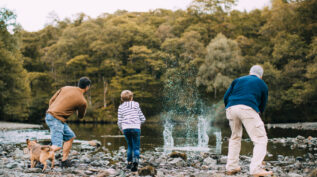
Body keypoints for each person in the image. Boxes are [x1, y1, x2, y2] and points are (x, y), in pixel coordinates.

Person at [223, 65, 273, 177]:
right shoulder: (262, 84)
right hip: (247, 108)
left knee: (235, 137)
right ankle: (256, 169)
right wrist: (257, 113)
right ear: (261, 75)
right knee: (260, 139)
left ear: (250, 72)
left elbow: (226, 96)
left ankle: (231, 167)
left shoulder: (238, 80)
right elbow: (262, 104)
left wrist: (230, 108)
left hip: (231, 108)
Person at [45, 77, 91, 168]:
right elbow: (80, 116)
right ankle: (40, 156)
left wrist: (52, 111)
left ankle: (64, 160)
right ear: (87, 87)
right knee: (57, 146)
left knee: (70, 137)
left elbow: (51, 100)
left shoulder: (65, 88)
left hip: (52, 116)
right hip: (56, 119)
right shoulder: (82, 101)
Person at [117, 90, 146, 172]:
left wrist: (121, 129)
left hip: (125, 128)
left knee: (130, 146)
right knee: (136, 147)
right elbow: (142, 118)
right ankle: (135, 163)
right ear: (132, 98)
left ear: (122, 99)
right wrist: (139, 123)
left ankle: (129, 163)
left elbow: (119, 121)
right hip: (136, 127)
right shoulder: (136, 104)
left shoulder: (121, 107)